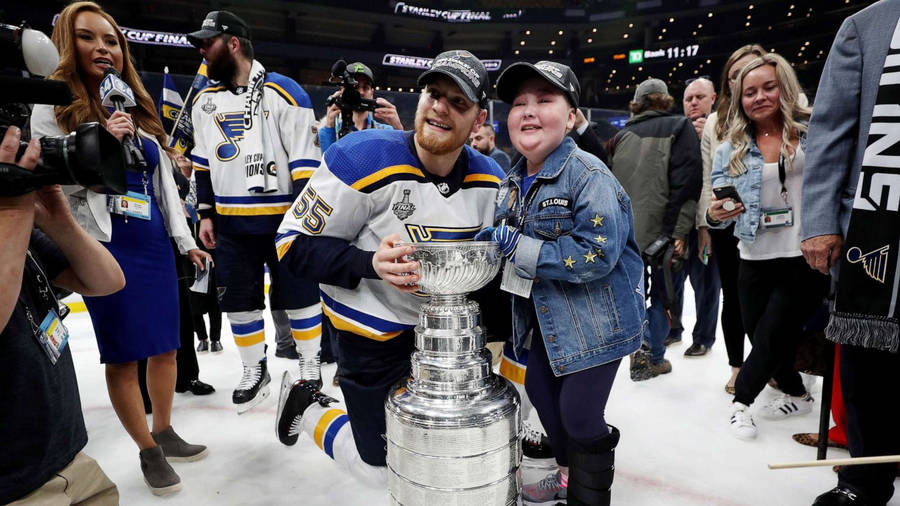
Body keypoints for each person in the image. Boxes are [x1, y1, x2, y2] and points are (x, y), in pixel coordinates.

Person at [274, 50, 503, 487]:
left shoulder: (492, 178)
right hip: (371, 338)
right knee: (379, 470)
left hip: (448, 346)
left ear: (478, 120)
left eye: (458, 102)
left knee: (440, 456)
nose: (440, 107)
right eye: (435, 93)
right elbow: (292, 246)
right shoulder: (359, 158)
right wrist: (369, 263)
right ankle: (309, 408)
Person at [29, 1, 210, 495]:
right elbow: (51, 188)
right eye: (89, 38)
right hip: (102, 245)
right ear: (68, 43)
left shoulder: (132, 101)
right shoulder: (50, 105)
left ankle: (165, 430)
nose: (103, 48)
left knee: (168, 346)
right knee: (126, 354)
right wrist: (99, 143)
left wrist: (185, 239)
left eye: (111, 40)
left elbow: (163, 185)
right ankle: (147, 451)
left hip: (151, 241)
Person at [480, 60, 644, 506]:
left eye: (545, 100)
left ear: (572, 117)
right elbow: (505, 242)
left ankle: (590, 497)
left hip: (596, 324)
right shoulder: (513, 181)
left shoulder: (588, 173)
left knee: (579, 413)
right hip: (546, 325)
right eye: (519, 103)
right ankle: (574, 471)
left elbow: (598, 253)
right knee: (538, 391)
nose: (529, 111)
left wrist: (518, 247)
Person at [187, 10, 324, 408]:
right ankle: (254, 367)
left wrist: (300, 223)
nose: (202, 51)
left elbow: (304, 162)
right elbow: (202, 162)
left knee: (300, 295)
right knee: (238, 300)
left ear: (233, 44)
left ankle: (310, 368)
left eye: (208, 43)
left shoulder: (286, 91)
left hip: (284, 219)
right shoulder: (204, 101)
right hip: (230, 225)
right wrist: (205, 213)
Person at [800, 1, 900, 503]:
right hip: (882, 233)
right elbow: (831, 129)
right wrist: (819, 221)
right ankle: (865, 481)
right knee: (869, 365)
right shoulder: (869, 25)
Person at [706, 52, 827, 440]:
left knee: (775, 329)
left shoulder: (814, 132)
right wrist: (715, 214)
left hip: (804, 253)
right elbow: (717, 204)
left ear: (785, 88)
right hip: (753, 254)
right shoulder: (731, 147)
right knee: (762, 336)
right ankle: (797, 392)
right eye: (749, 92)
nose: (758, 97)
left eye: (768, 87)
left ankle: (741, 403)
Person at [0, 127, 123, 505]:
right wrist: (13, 210)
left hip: (69, 459)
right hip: (15, 485)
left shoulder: (13, 225)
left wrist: (59, 221)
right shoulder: (10, 219)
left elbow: (107, 281)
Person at [607, 78, 702, 380]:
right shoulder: (680, 126)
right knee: (663, 296)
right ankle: (651, 356)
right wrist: (678, 232)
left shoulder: (621, 136)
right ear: (664, 99)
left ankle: (638, 351)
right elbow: (687, 183)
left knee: (636, 294)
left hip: (627, 234)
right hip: (664, 233)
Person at [700, 44, 766, 394]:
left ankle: (772, 363)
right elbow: (708, 179)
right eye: (735, 75)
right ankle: (738, 367)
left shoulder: (782, 113)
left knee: (769, 299)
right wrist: (705, 223)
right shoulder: (715, 120)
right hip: (728, 220)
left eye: (750, 70)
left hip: (772, 224)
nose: (742, 79)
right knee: (734, 296)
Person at [668, 76, 721, 358]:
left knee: (706, 282)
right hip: (679, 220)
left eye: (699, 97)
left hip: (707, 220)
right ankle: (672, 329)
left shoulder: (725, 128)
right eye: (688, 98)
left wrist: (708, 138)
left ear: (713, 98)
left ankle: (703, 338)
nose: (693, 103)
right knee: (672, 280)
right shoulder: (676, 131)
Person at [173, 152, 223, 355]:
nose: (181, 157)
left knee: (213, 298)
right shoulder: (174, 181)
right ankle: (201, 337)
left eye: (184, 155)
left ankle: (215, 339)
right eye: (178, 156)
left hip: (210, 248)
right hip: (187, 250)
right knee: (192, 298)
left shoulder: (203, 181)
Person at [318, 61, 403, 152]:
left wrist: (399, 128)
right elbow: (327, 164)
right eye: (355, 87)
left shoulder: (386, 131)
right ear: (342, 91)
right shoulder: (328, 131)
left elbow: (402, 160)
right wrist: (329, 127)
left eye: (366, 87)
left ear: (372, 93)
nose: (361, 92)